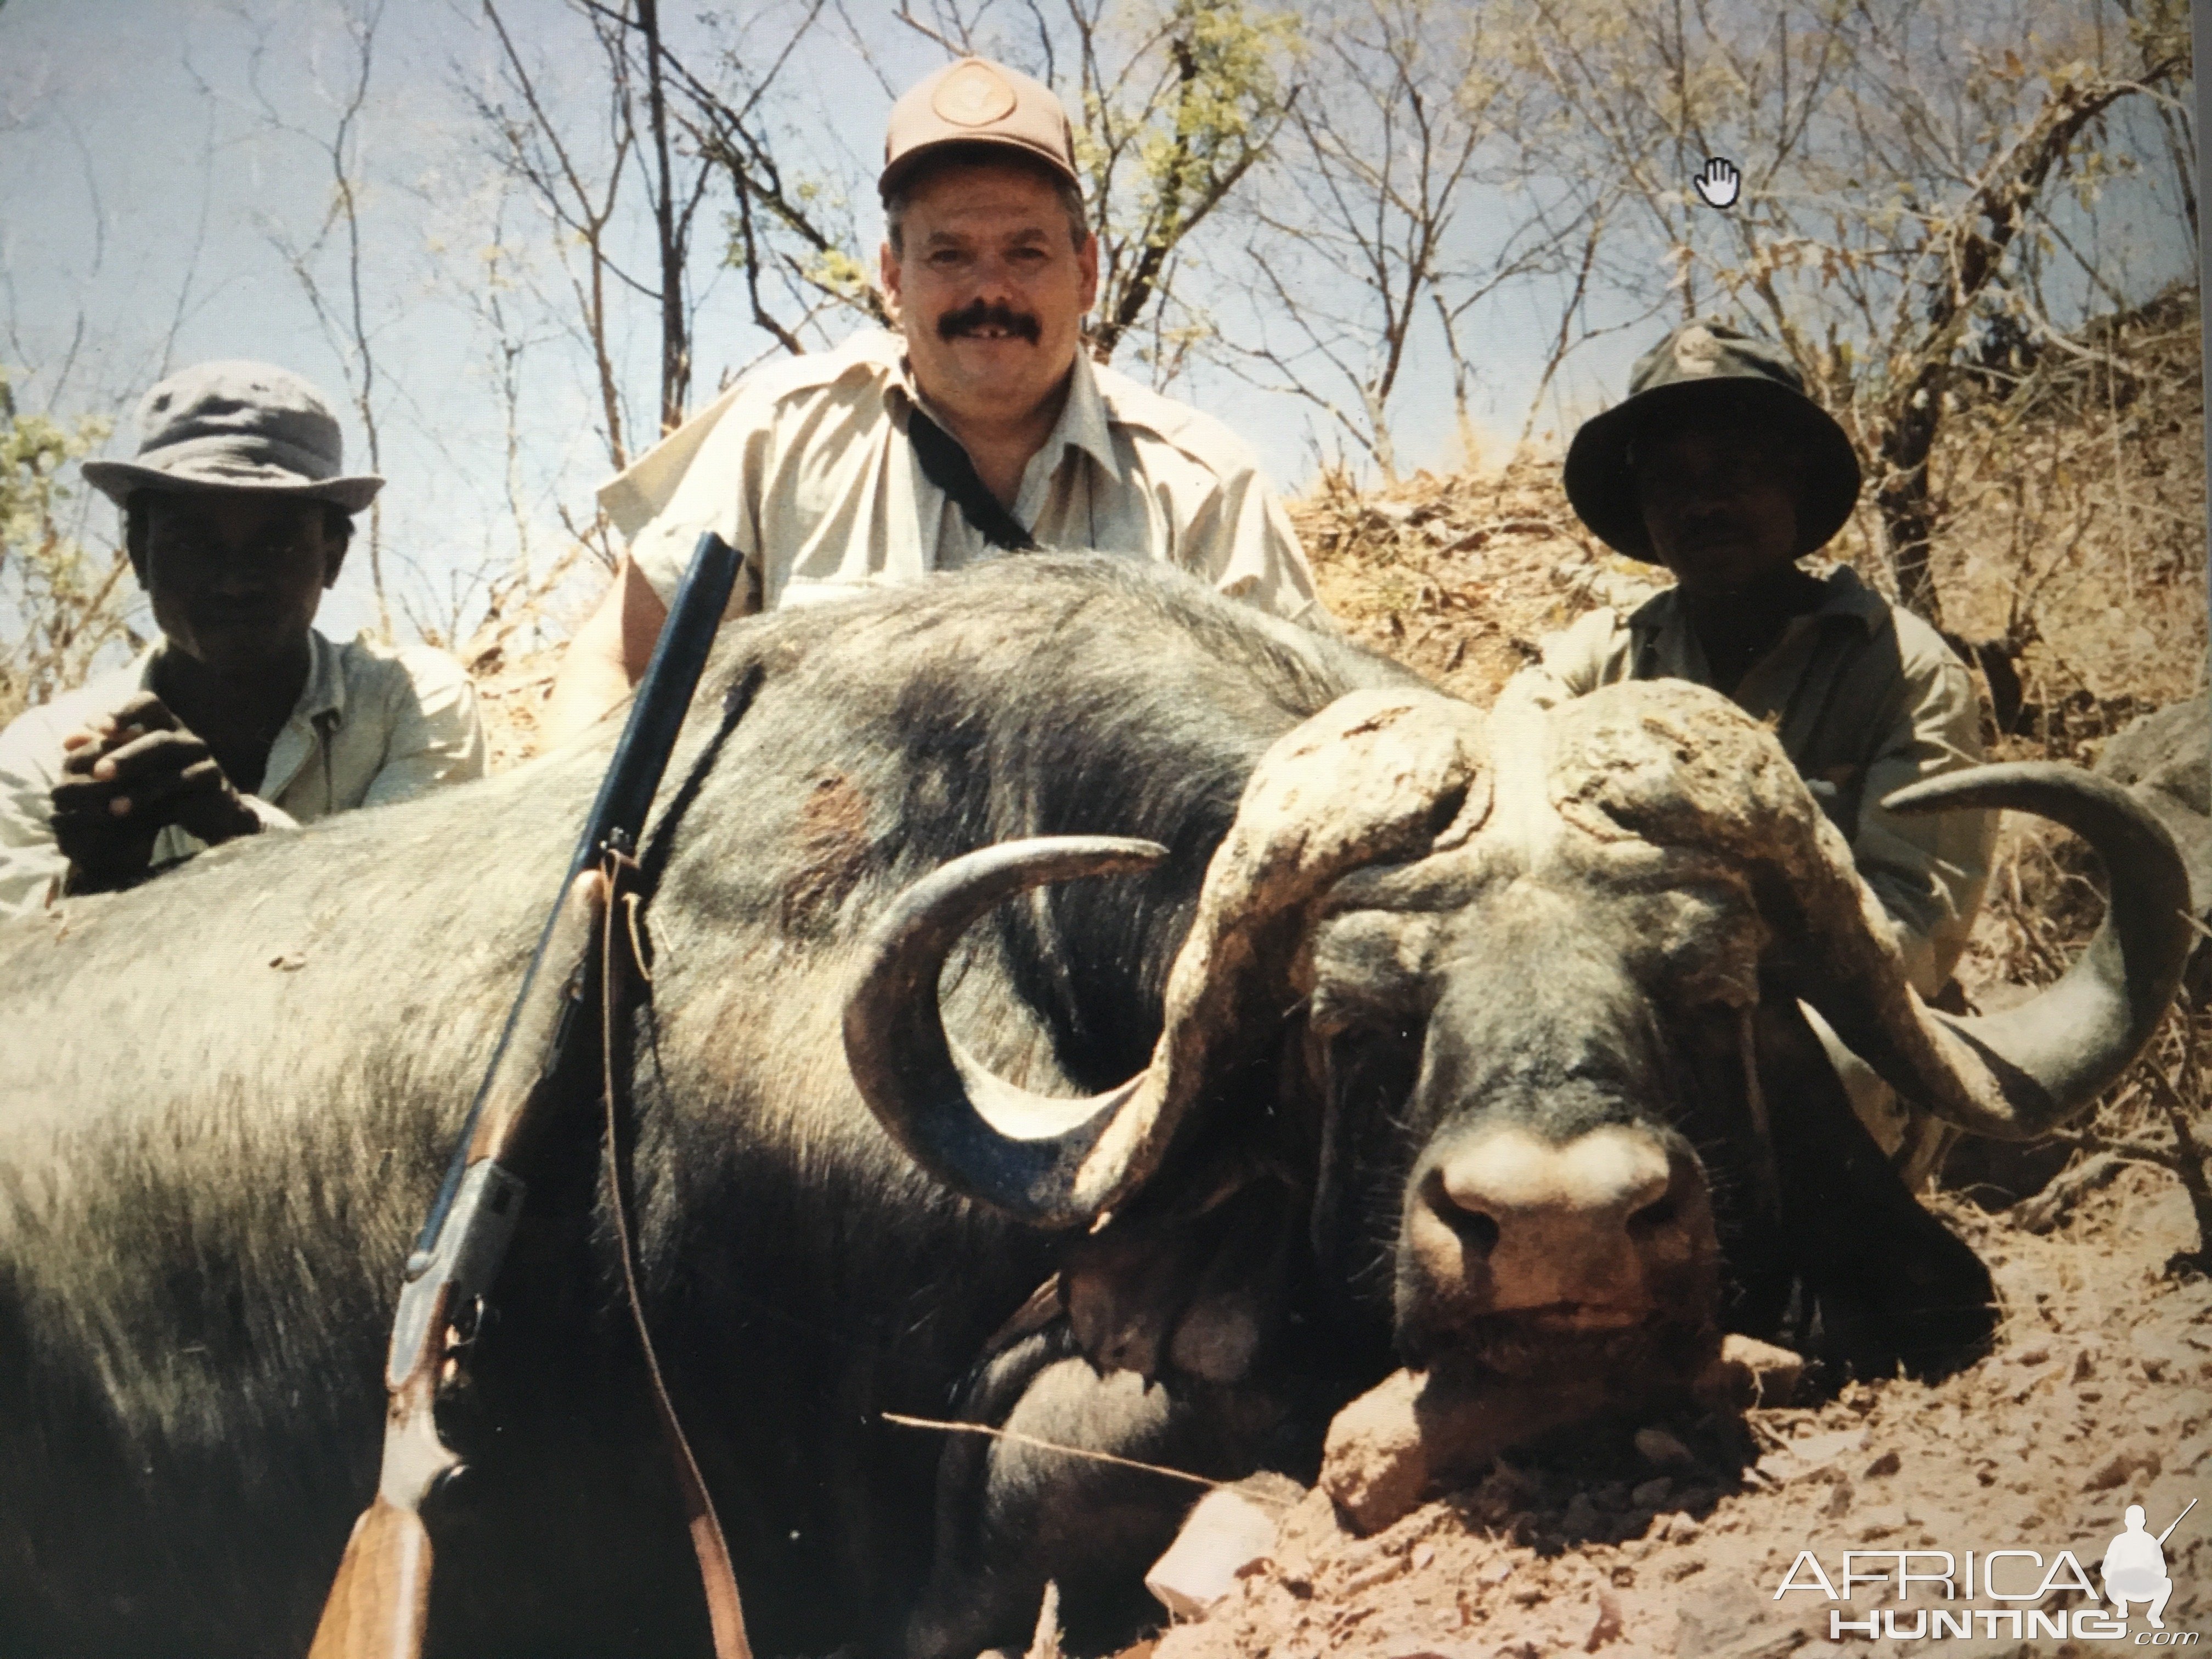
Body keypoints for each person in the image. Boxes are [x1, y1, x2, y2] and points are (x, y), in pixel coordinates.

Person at [544, 55, 1323, 746]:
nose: (990, 289)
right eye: (949, 254)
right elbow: (616, 661)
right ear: (892, 277)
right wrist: (585, 872)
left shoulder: (1203, 486)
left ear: (1087, 273)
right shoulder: (777, 433)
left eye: (1027, 251)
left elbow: (1312, 739)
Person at [1532, 321, 1997, 1176]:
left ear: (1796, 485)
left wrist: (1719, 990)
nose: (1702, 503)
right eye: (1670, 480)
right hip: (1613, 995)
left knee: (1833, 1073)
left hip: (1823, 1005)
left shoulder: (1905, 667)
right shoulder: (1594, 657)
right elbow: (1507, 799)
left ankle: (1846, 1292)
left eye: (1735, 472)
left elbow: (1913, 927)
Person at [0, 360, 486, 916]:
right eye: (193, 544)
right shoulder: (42, 752)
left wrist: (237, 826)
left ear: (332, 558)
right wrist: (98, 880)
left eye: (275, 544)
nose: (233, 583)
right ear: (140, 557)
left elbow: (414, 919)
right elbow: (20, 976)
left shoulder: (412, 701)